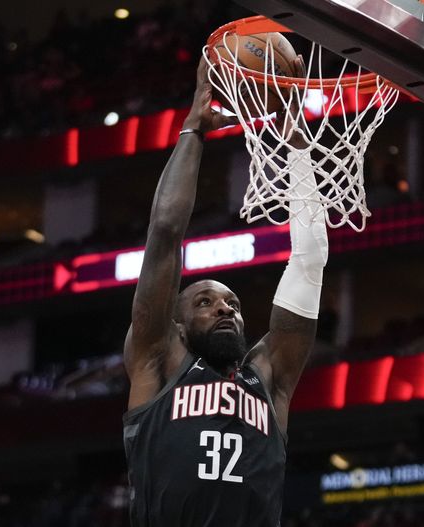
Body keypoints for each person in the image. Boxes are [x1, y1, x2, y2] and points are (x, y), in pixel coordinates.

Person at [122, 56, 326, 526]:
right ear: (174, 323)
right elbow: (166, 231)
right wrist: (193, 128)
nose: (224, 309)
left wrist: (297, 148)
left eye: (232, 303)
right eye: (205, 302)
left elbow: (309, 264)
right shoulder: (158, 359)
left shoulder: (269, 376)